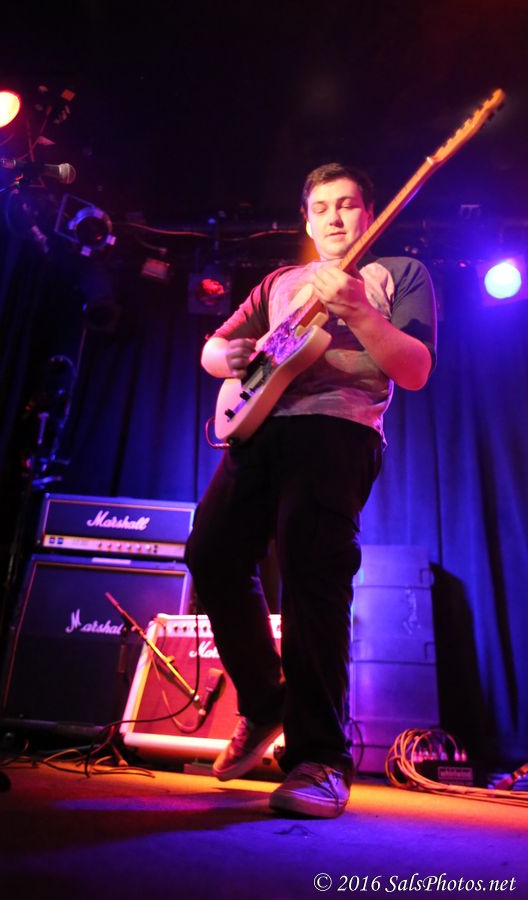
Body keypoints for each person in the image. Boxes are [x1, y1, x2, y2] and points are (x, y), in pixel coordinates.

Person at [185, 162, 437, 818]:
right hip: (260, 429)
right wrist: (227, 358)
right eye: (321, 207)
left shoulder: (399, 274)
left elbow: (414, 370)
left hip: (338, 432)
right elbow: (216, 347)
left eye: (347, 205)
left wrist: (357, 309)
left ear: (369, 213)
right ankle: (266, 702)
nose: (334, 217)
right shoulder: (279, 282)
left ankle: (320, 758)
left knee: (312, 572)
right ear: (305, 220)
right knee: (210, 553)